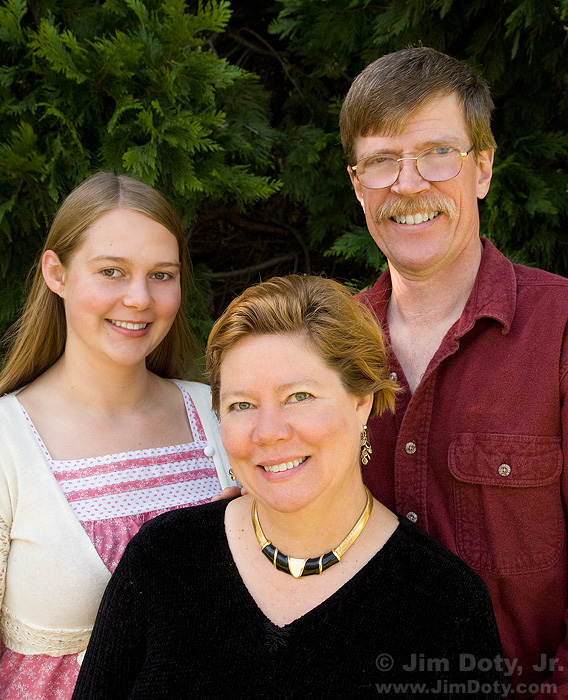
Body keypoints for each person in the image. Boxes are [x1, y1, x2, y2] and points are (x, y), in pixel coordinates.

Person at [72, 274, 505, 699]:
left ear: (361, 401)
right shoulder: (162, 559)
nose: (269, 432)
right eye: (242, 405)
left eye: (299, 396)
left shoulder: (445, 605)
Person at [340, 46, 568, 699]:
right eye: (383, 161)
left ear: (483, 170)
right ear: (358, 185)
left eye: (438, 153)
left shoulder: (561, 331)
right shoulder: (327, 351)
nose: (409, 184)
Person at [0, 172, 231, 699]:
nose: (139, 299)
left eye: (161, 275)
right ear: (55, 273)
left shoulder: (219, 415)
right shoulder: (7, 442)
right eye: (111, 271)